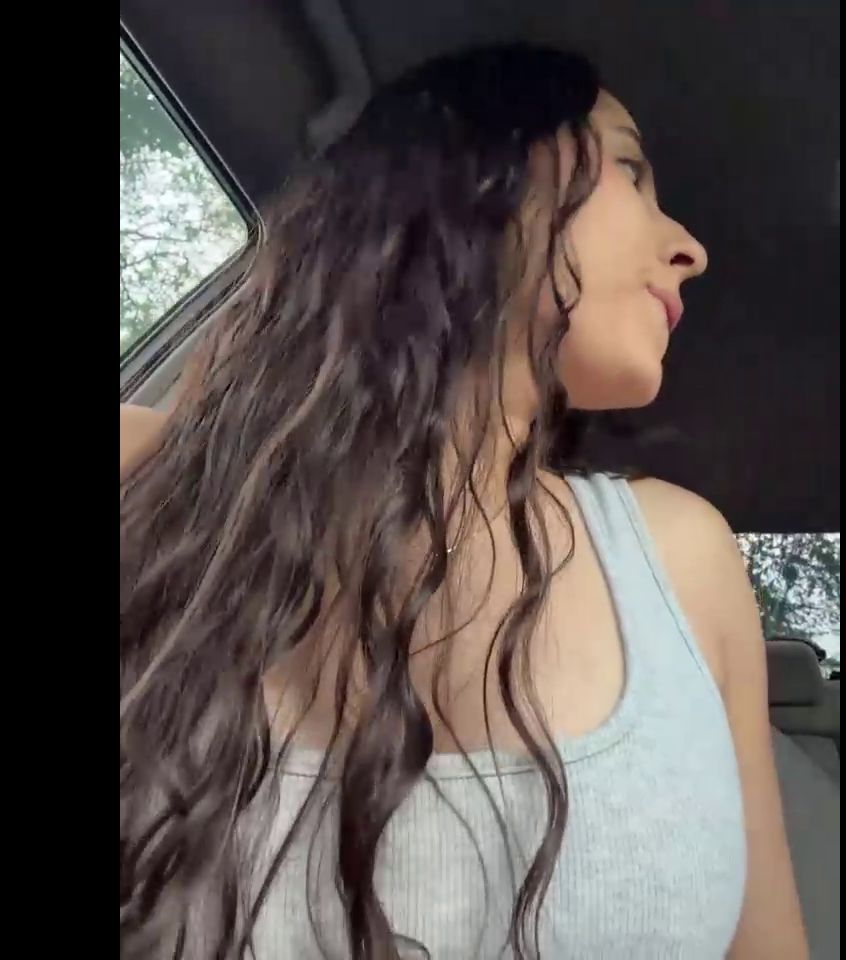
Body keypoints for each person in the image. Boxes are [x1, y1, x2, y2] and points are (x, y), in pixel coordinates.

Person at [120, 43, 807, 960]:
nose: (691, 249)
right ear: (477, 176)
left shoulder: (682, 559)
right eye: (632, 170)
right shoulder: (154, 485)